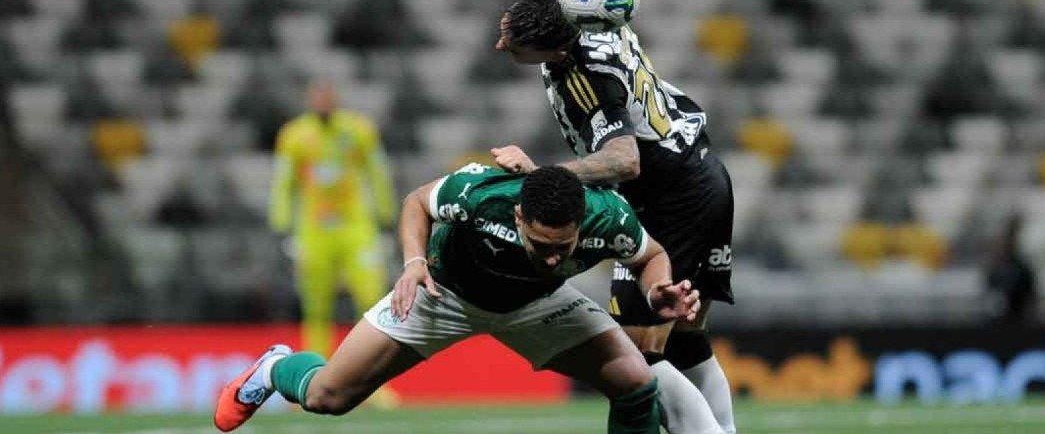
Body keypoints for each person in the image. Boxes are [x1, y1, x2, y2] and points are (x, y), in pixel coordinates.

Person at [492, 0, 738, 434]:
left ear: (552, 50)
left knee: (638, 354)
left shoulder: (583, 74)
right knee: (688, 338)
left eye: (516, 45)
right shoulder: (583, 4)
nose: (503, 45)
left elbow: (624, 160)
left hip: (668, 198)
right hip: (702, 172)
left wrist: (544, 178)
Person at [214, 164, 700, 433]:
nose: (554, 257)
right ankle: (274, 369)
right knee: (327, 397)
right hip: (442, 293)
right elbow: (416, 202)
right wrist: (413, 263)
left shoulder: (608, 217)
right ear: (518, 216)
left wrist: (655, 289)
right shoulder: (480, 193)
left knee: (636, 382)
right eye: (541, 245)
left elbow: (651, 255)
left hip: (539, 304)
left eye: (564, 247)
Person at [270, 79, 397, 361]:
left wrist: (386, 216)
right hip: (314, 231)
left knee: (372, 301)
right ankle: (317, 372)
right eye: (318, 97)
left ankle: (374, 376)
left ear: (336, 99)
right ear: (309, 100)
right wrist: (281, 225)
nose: (323, 102)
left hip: (356, 228)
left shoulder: (358, 129)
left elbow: (377, 172)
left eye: (327, 97)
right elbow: (284, 182)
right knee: (316, 308)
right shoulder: (294, 135)